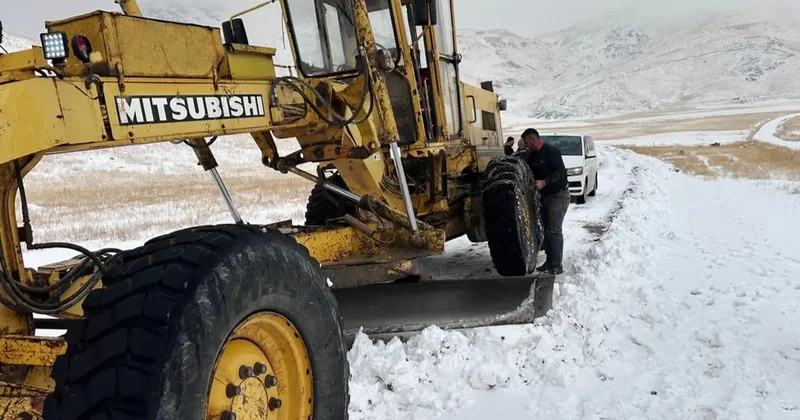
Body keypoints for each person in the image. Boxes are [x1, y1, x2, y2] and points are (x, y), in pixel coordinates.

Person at [519, 128, 569, 274]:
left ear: (533, 139)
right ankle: (549, 261)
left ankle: (557, 264)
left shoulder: (551, 152)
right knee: (545, 230)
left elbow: (560, 173)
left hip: (558, 195)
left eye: (527, 142)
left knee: (554, 230)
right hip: (543, 198)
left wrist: (545, 182)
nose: (526, 145)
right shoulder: (531, 156)